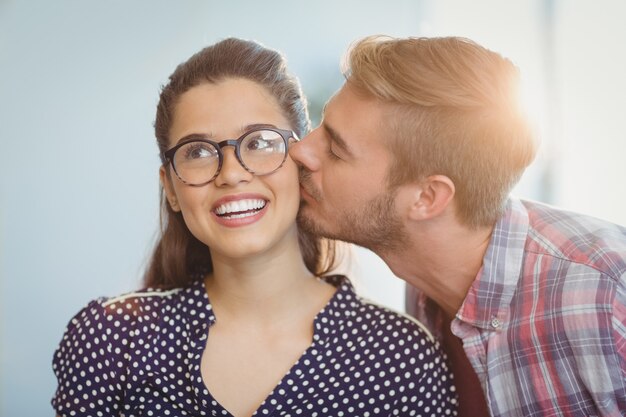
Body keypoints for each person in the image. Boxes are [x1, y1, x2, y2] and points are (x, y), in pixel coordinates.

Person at [51, 38, 458, 417]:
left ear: (302, 157)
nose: (230, 174)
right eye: (197, 152)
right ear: (171, 189)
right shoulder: (109, 342)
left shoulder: (403, 358)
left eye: (260, 142)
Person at [289, 35, 626, 417]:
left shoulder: (607, 293)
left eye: (336, 149)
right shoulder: (423, 286)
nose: (301, 149)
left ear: (428, 198)